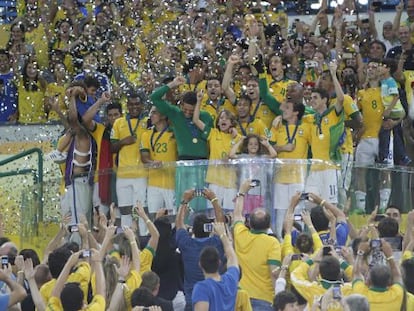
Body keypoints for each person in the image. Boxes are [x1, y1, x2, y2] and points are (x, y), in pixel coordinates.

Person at [150, 76, 213, 212]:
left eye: (191, 111)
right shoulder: (175, 114)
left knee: (201, 201)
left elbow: (211, 140)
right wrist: (172, 84)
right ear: (181, 105)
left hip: (202, 165)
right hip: (183, 164)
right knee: (183, 201)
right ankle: (182, 228)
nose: (187, 113)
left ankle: (198, 230)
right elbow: (154, 97)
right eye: (185, 110)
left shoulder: (206, 117)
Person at [233, 179, 281, 310]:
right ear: (269, 226)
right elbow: (274, 273)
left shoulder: (241, 235)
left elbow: (236, 215)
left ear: (249, 223)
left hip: (241, 299)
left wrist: (242, 192)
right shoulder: (273, 243)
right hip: (264, 299)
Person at [175, 188, 225, 311]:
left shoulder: (186, 243)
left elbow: (179, 224)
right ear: (209, 229)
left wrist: (184, 201)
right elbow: (221, 225)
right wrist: (214, 200)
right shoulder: (216, 243)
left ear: (192, 229)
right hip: (215, 300)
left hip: (192, 301)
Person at [193, 89, 241, 212]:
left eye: (226, 118)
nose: (223, 120)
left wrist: (236, 137)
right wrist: (199, 101)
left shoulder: (238, 137)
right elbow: (196, 121)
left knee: (230, 213)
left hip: (231, 182)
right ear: (218, 123)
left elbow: (245, 152)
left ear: (232, 122)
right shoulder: (213, 134)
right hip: (214, 180)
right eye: (221, 119)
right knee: (212, 213)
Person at [110, 92, 148, 231]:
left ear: (142, 105)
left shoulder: (147, 122)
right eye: (131, 104)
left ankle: (142, 238)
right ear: (127, 106)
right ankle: (126, 240)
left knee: (139, 210)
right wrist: (124, 141)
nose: (134, 107)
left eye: (137, 104)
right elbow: (112, 148)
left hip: (141, 174)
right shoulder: (119, 123)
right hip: (123, 175)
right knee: (125, 211)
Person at [192, 222, 239, 311]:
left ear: (200, 264)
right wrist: (222, 235)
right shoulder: (230, 280)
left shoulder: (202, 288)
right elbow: (232, 257)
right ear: (219, 263)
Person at [140, 106, 177, 217]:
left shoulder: (174, 133)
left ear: (164, 115)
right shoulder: (146, 134)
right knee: (153, 217)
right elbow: (144, 157)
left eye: (154, 112)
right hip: (153, 183)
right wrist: (152, 163)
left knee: (172, 217)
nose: (151, 115)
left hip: (172, 183)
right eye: (150, 112)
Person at [352, 239, 404, 310]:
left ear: (369, 280)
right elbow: (397, 275)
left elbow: (356, 272)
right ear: (389, 281)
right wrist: (389, 255)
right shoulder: (397, 294)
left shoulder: (361, 294)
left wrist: (360, 252)